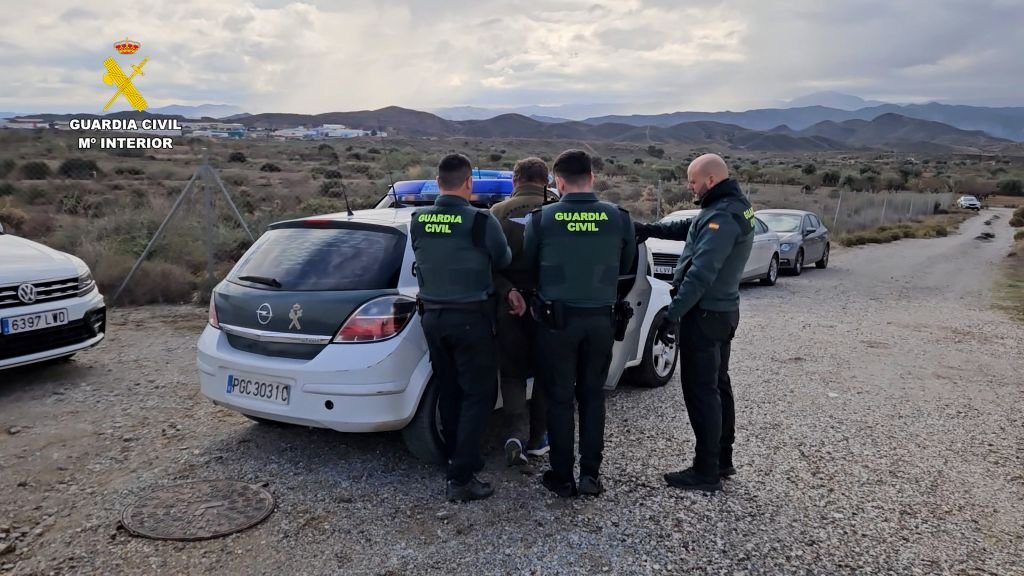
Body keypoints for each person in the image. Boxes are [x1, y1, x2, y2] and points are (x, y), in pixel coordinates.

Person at [634, 153, 755, 493]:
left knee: (702, 392)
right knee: (718, 386)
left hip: (705, 314)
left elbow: (701, 274)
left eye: (693, 181)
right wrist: (650, 229)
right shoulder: (729, 207)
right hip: (723, 311)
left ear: (711, 180)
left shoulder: (724, 217)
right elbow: (692, 226)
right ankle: (722, 460)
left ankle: (705, 471)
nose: (690, 186)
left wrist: (672, 316)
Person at [523, 149, 636, 497]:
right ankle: (590, 476)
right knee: (592, 397)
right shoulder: (619, 217)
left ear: (558, 182)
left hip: (556, 322)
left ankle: (562, 476)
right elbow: (627, 271)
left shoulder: (541, 219)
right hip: (601, 320)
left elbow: (529, 269)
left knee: (558, 399)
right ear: (592, 177)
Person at [410, 153, 513, 502]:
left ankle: (457, 457)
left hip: (432, 318)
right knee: (479, 394)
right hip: (470, 317)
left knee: (451, 390)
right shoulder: (481, 222)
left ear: (438, 181)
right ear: (469, 182)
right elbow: (504, 259)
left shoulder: (418, 220)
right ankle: (462, 478)